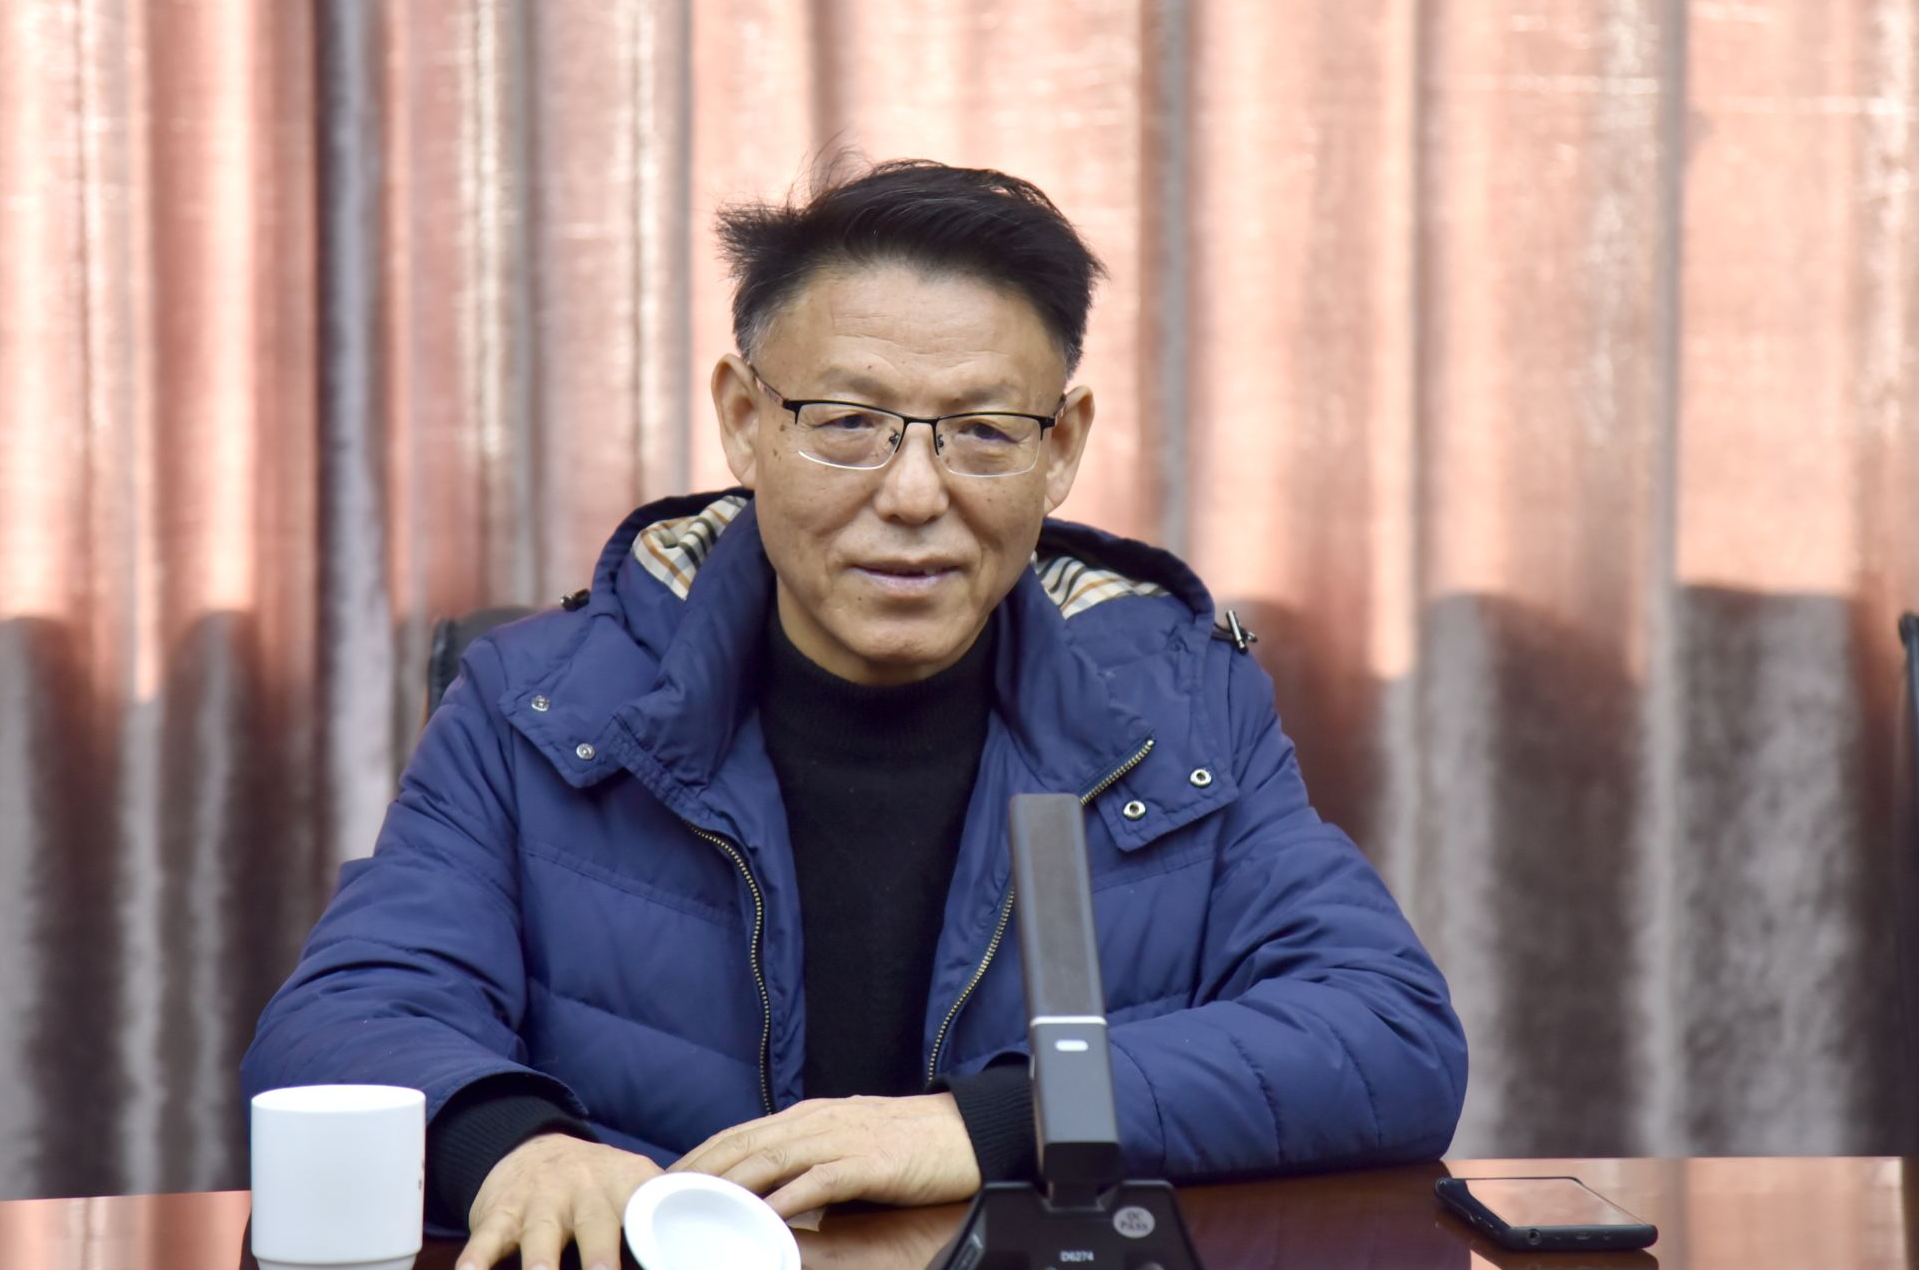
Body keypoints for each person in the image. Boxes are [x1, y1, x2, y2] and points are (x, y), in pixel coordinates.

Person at [242, 160, 1467, 1270]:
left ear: (1061, 448)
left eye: (983, 432)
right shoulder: (539, 702)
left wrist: (981, 1128)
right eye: (847, 425)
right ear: (743, 420)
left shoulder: (1178, 709)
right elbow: (343, 1019)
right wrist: (511, 1145)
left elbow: (1386, 1034)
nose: (914, 493)